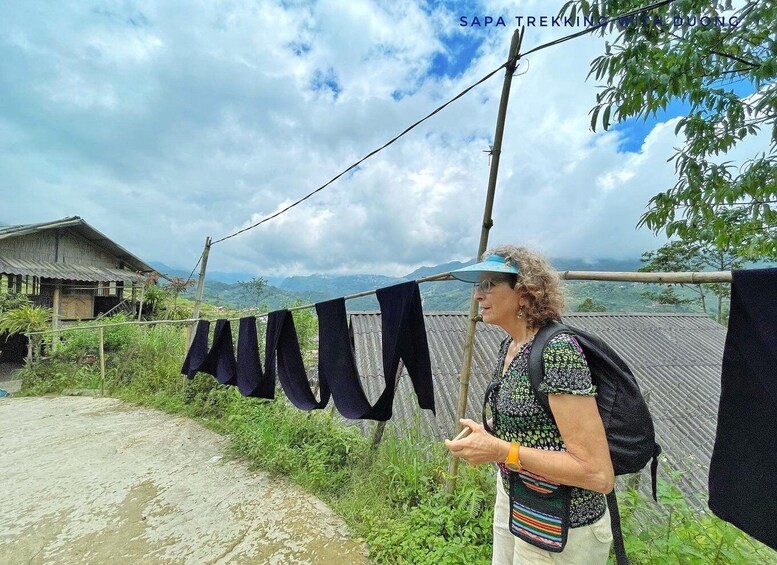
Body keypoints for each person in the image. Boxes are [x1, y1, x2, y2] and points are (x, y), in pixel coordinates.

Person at [444, 245, 614, 565]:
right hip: (516, 500)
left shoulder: (556, 350)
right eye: (478, 285)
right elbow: (533, 425)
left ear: (524, 293)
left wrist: (501, 451)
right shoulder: (509, 345)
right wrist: (489, 436)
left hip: (563, 526)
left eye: (489, 285)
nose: (478, 296)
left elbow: (597, 474)